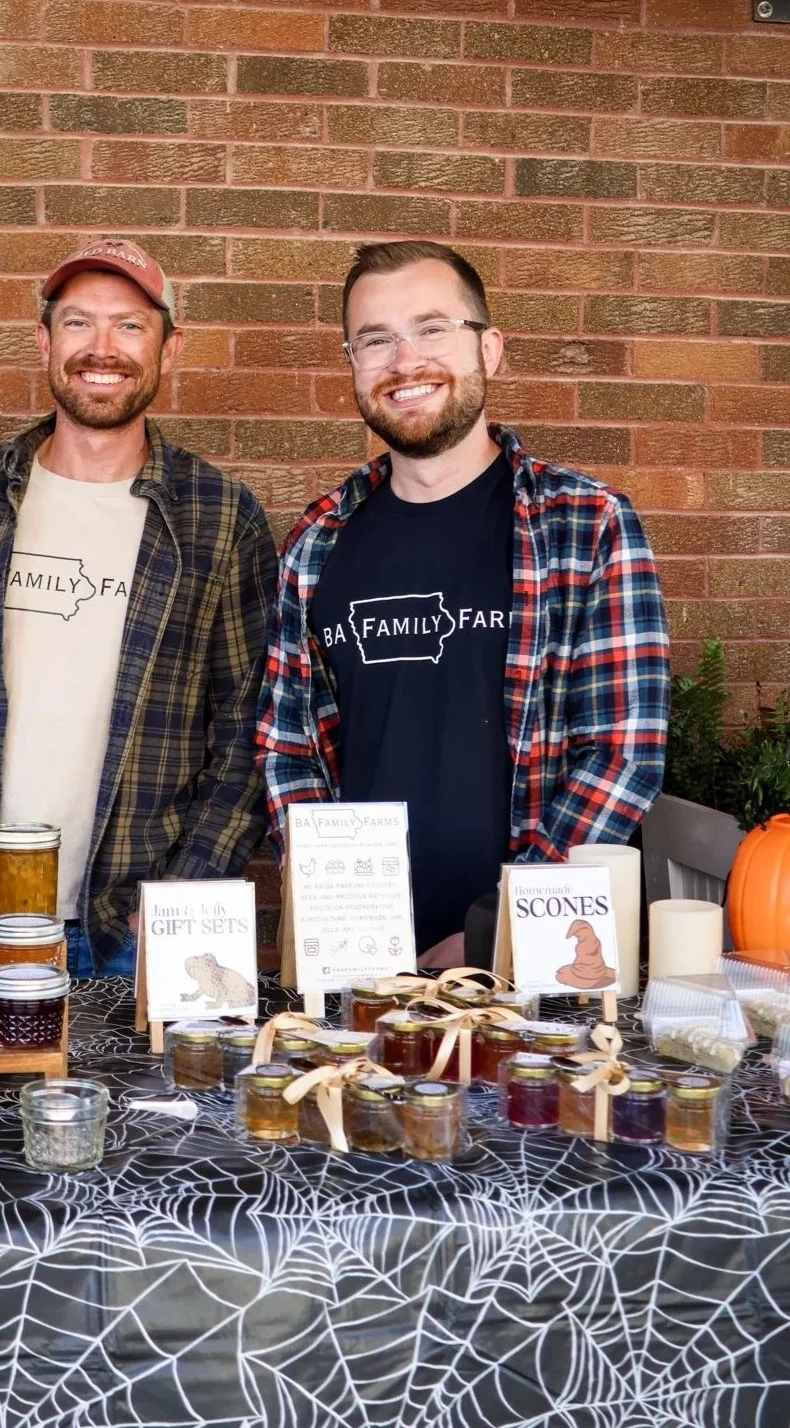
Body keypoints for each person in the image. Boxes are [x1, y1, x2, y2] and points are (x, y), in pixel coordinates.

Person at [0, 239, 278, 977]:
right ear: (45, 342)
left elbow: (248, 728)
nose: (101, 348)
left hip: (133, 924)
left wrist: (185, 890)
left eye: (130, 326)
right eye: (78, 324)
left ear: (170, 350)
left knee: (151, 1097)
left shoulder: (219, 517)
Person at [257, 239, 670, 969]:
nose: (405, 361)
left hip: (536, 972)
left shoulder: (587, 525)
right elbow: (290, 751)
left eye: (432, 328)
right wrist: (339, 910)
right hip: (361, 967)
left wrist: (497, 930)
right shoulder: (317, 543)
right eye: (375, 340)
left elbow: (621, 756)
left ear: (492, 349)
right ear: (352, 362)